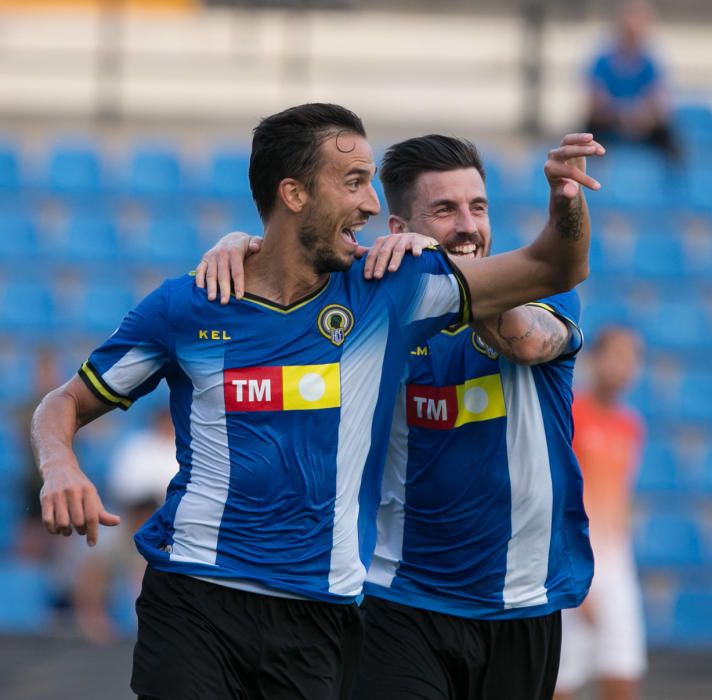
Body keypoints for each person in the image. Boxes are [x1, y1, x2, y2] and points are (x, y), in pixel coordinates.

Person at [33, 103, 600, 700]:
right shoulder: (192, 303)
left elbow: (555, 268)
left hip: (333, 613)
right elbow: (64, 402)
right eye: (354, 183)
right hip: (202, 590)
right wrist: (60, 465)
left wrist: (565, 202)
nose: (369, 203)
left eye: (478, 207)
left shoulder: (395, 295)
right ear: (295, 194)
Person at [202, 134, 598, 700]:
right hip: (398, 598)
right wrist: (239, 246)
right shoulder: (372, 308)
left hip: (522, 600)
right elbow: (288, 276)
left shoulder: (544, 294)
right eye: (444, 211)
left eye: (477, 207)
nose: (467, 226)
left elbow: (528, 345)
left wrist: (564, 203)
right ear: (399, 229)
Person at [554, 326, 646, 700]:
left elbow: (619, 496)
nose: (626, 366)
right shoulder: (572, 416)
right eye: (617, 355)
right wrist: (569, 567)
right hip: (573, 555)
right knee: (562, 679)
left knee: (622, 672)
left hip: (617, 560)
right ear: (595, 359)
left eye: (633, 358)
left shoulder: (631, 426)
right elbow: (558, 497)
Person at [73, 407, 178, 645]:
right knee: (96, 552)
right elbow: (122, 488)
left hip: (173, 530)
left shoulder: (187, 448)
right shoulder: (137, 447)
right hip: (132, 521)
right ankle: (92, 619)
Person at [584, 0, 679, 158]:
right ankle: (589, 175)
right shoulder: (602, 61)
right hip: (608, 123)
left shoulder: (651, 63)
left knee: (671, 141)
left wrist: (639, 116)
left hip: (642, 124)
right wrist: (623, 116)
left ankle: (674, 179)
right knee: (586, 136)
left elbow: (659, 106)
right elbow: (595, 105)